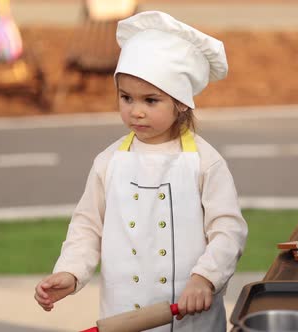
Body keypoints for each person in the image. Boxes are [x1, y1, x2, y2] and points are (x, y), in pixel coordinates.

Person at [33, 10, 248, 331]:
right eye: (126, 97)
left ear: (181, 103)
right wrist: (71, 272)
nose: (136, 111)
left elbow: (228, 230)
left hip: (191, 317)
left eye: (150, 100)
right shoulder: (108, 162)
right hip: (123, 316)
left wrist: (205, 278)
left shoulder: (206, 162)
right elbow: (87, 227)